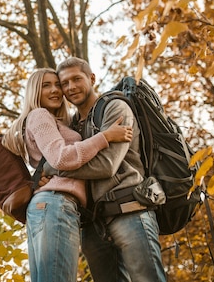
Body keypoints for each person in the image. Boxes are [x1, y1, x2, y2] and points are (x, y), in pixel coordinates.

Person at [2, 68, 133, 282]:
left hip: (53, 207)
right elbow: (61, 158)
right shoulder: (39, 115)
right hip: (55, 205)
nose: (55, 90)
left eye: (57, 85)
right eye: (46, 85)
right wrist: (105, 136)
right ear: (34, 91)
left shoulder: (54, 121)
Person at [52, 57, 166, 282]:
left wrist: (57, 168)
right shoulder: (73, 126)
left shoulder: (114, 107)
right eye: (65, 83)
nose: (71, 87)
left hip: (129, 210)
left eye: (77, 79)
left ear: (91, 78)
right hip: (94, 224)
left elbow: (107, 165)